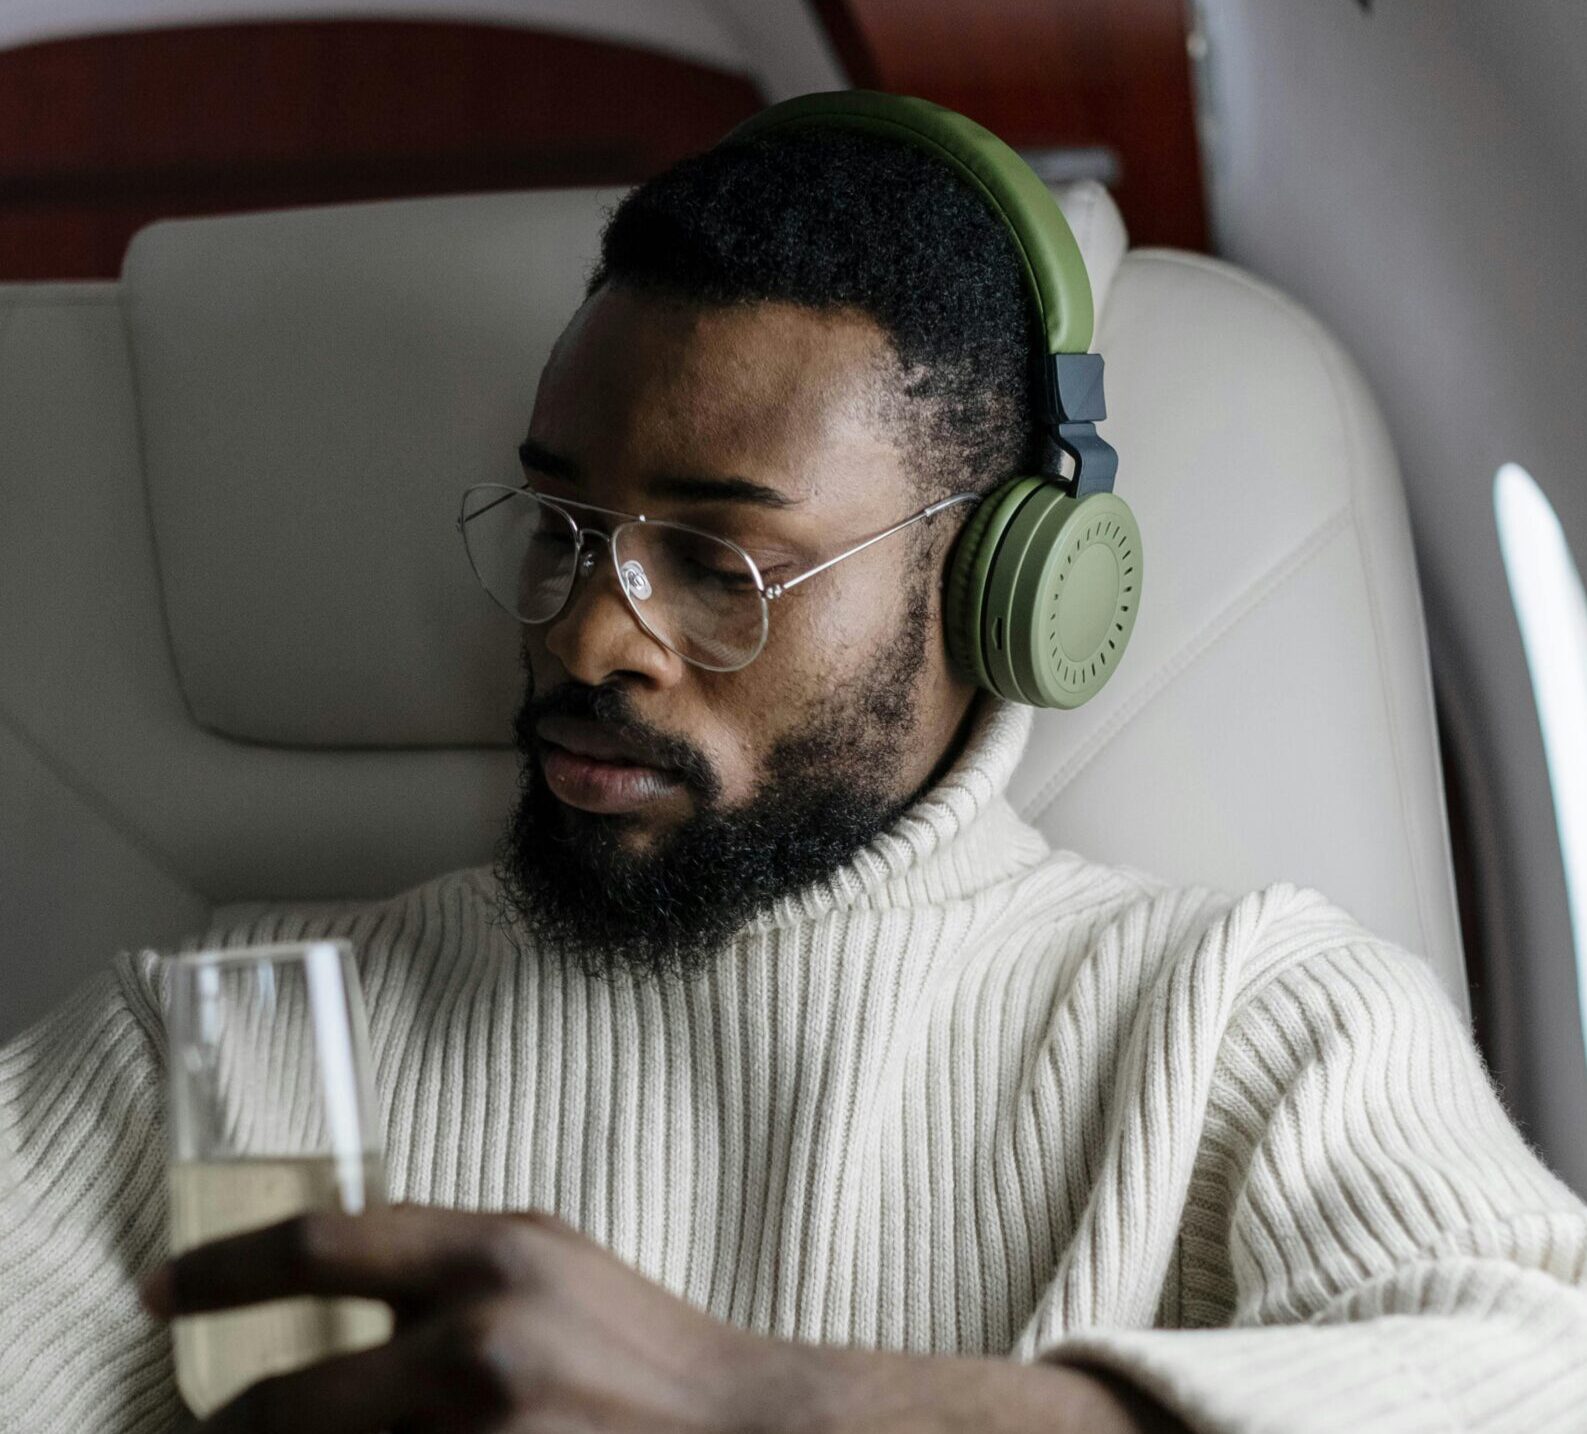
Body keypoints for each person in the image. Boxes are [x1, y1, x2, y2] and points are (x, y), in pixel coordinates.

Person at [2, 92, 1585, 1434]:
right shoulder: (204, 1054)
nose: (589, 637)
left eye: (716, 562)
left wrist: (760, 1399)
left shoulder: (1251, 1022)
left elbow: (1537, 1371)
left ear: (997, 593)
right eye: (562, 531)